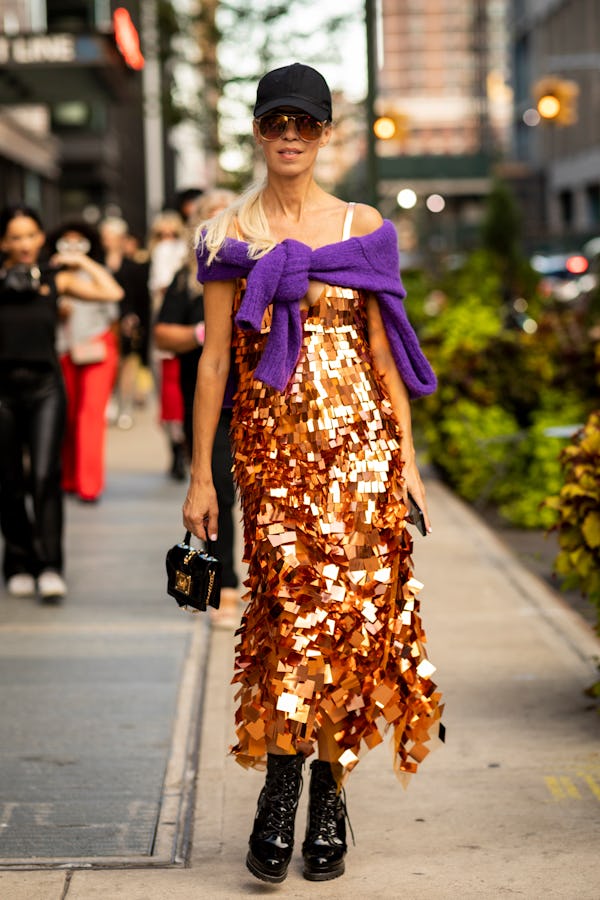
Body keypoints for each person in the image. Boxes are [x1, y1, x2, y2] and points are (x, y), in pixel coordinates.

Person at [183, 63, 444, 884]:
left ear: (325, 133)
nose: (290, 134)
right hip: (273, 460)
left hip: (362, 457)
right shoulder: (229, 236)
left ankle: (328, 794)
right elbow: (215, 365)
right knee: (287, 618)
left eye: (305, 122)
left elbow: (383, 354)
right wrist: (202, 479)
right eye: (275, 122)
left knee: (353, 626)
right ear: (258, 133)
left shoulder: (362, 225)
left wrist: (406, 462)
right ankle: (280, 786)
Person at [0, 205, 123, 601]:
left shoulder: (56, 277)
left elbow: (112, 292)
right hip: (3, 390)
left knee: (44, 476)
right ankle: (18, 561)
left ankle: (51, 565)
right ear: (4, 242)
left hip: (46, 389)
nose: (23, 244)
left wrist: (79, 259)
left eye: (30, 235)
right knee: (9, 481)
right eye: (15, 237)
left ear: (41, 238)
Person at [154, 189, 240, 627]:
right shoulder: (188, 278)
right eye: (212, 214)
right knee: (217, 491)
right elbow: (161, 335)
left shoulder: (253, 265)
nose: (221, 220)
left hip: (257, 395)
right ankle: (223, 584)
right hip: (209, 401)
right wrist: (201, 334)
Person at [51, 221, 120, 503]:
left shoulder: (97, 274)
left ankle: (89, 485)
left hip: (97, 349)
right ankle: (68, 478)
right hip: (63, 351)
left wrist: (83, 262)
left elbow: (114, 308)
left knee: (89, 416)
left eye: (79, 242)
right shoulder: (50, 274)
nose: (72, 247)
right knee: (65, 415)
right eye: (66, 242)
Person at [99, 216, 152, 428]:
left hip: (128, 322)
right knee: (109, 364)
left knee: (128, 364)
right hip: (103, 322)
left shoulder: (134, 266)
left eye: (112, 237)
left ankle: (125, 406)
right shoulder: (98, 264)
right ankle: (109, 403)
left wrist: (136, 320)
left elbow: (141, 298)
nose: (108, 241)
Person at [147, 210, 188, 479]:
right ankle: (177, 448)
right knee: (171, 393)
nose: (167, 240)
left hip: (176, 328)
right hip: (170, 330)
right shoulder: (164, 253)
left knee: (174, 393)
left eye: (172, 233)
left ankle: (179, 449)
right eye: (161, 234)